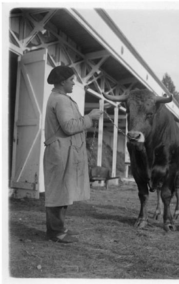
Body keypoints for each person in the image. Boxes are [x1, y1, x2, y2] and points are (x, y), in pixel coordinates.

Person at [43, 66, 103, 243]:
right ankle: (55, 232)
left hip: (64, 150)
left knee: (63, 190)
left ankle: (60, 228)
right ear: (62, 82)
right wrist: (90, 117)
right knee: (57, 192)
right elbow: (69, 127)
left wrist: (87, 118)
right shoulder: (60, 100)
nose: (74, 83)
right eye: (71, 80)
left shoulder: (60, 98)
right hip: (60, 151)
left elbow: (70, 123)